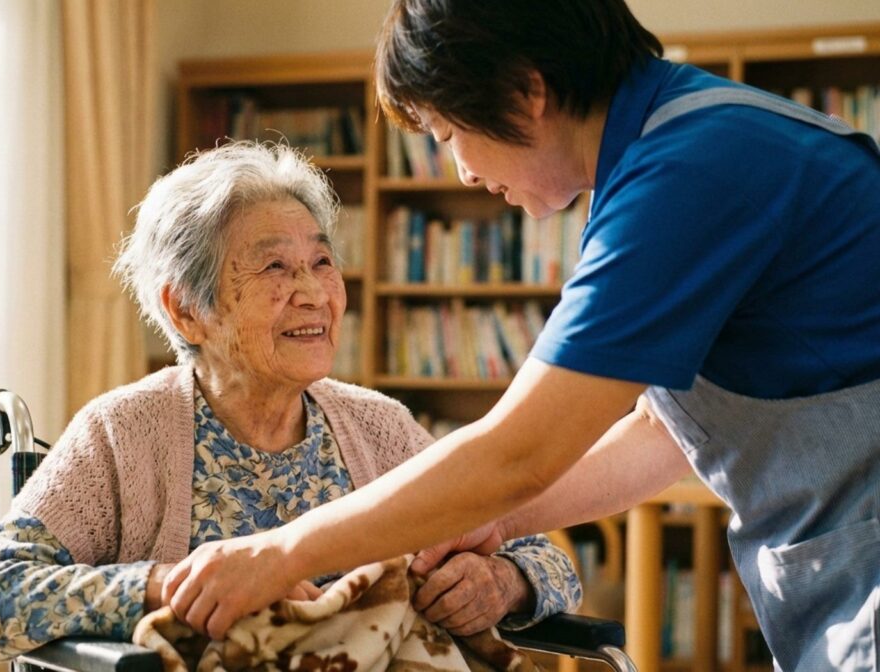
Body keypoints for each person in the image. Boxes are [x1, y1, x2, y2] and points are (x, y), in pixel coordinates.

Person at [154, 3, 880, 671]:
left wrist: (281, 553)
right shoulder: (690, 140)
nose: (463, 170)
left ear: (525, 93)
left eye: (448, 134)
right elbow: (666, 434)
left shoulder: (689, 174)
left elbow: (520, 452)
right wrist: (496, 518)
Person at [0, 141, 581, 662]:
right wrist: (166, 587)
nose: (314, 294)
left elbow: (546, 557)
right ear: (186, 309)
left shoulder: (379, 428)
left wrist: (503, 583)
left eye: (322, 262)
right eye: (276, 269)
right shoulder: (123, 433)